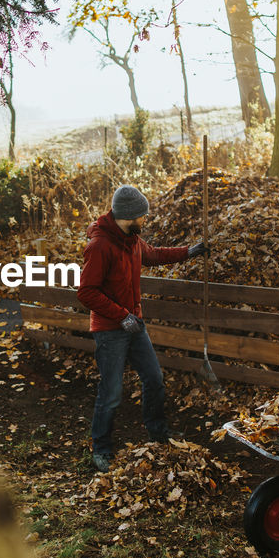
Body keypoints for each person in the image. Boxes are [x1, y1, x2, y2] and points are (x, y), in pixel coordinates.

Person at [77, 185, 208, 472]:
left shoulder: (132, 240)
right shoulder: (99, 246)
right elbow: (86, 292)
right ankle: (101, 448)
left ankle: (157, 430)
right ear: (129, 216)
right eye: (142, 216)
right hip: (111, 330)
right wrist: (121, 315)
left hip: (134, 324)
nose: (145, 220)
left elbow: (155, 255)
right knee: (111, 393)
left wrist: (190, 251)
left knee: (154, 379)